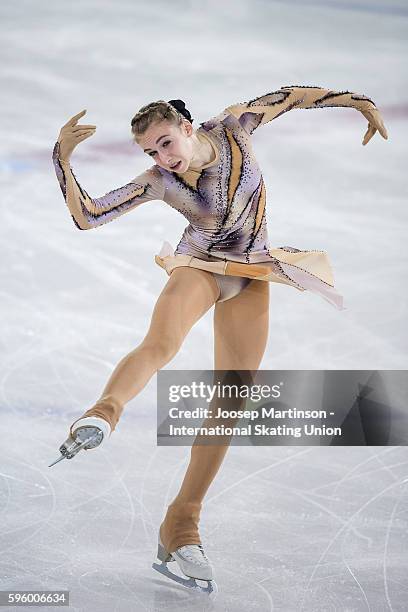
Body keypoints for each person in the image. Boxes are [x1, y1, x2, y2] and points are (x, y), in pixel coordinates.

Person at [51, 86, 388, 589]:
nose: (162, 158)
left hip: (252, 273)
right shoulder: (161, 183)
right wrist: (62, 156)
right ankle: (104, 413)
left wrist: (358, 101)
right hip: (200, 268)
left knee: (233, 395)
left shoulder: (235, 126)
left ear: (188, 128)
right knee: (161, 345)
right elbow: (88, 215)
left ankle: (182, 520)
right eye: (151, 152)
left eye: (165, 143)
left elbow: (291, 96)